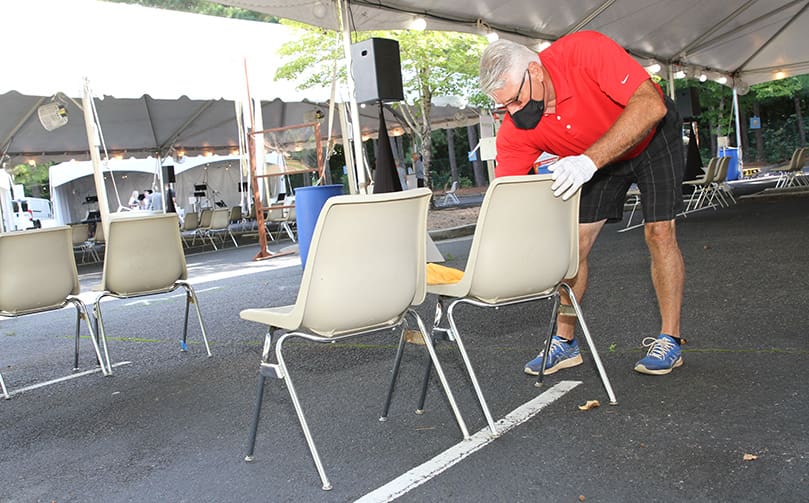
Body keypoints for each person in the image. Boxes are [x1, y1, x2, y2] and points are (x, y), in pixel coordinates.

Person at [479, 32, 686, 376]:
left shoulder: (584, 51)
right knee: (573, 247)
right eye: (504, 107)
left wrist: (588, 162)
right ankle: (566, 343)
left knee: (659, 233)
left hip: (650, 136)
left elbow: (652, 104)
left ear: (536, 71)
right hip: (593, 157)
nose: (513, 113)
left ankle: (671, 339)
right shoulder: (516, 130)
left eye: (516, 100)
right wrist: (500, 253)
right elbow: (508, 199)